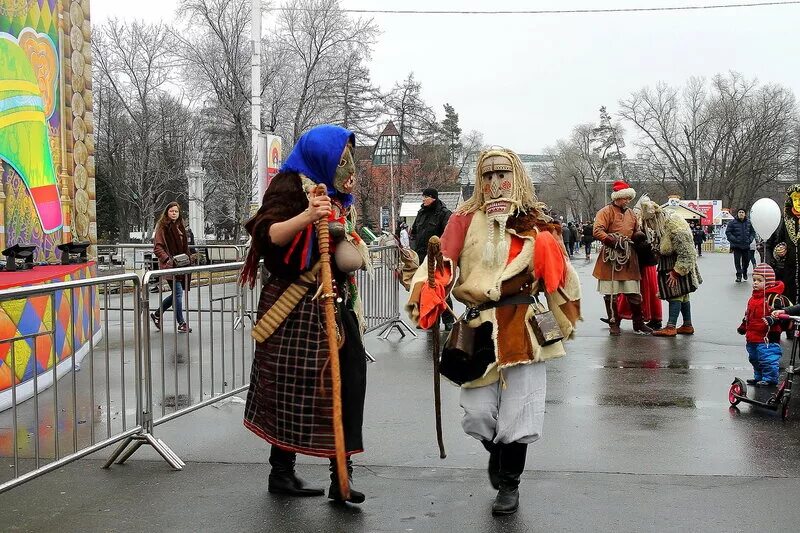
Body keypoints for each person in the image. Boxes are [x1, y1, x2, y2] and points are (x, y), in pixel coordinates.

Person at [406, 148, 581, 517]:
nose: (495, 184)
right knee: (477, 414)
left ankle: (509, 483)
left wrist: (564, 317)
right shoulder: (463, 219)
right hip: (478, 326)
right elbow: (442, 263)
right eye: (487, 177)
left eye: (502, 175)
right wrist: (431, 290)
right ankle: (498, 456)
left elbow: (558, 274)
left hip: (525, 326)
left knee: (521, 412)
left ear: (516, 177)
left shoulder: (536, 221)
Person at [239, 124, 369, 504]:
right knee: (290, 390)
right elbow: (265, 236)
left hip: (335, 299)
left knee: (347, 384)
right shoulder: (288, 186)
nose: (347, 165)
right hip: (294, 304)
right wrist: (308, 216)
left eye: (349, 157)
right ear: (322, 155)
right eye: (340, 157)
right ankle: (281, 473)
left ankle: (340, 478)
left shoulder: (338, 195)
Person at [592, 180, 651, 335]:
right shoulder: (605, 212)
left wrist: (639, 236)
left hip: (629, 257)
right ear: (618, 197)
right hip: (610, 259)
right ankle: (614, 323)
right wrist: (612, 241)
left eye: (629, 198)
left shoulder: (631, 213)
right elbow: (597, 230)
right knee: (610, 295)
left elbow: (635, 230)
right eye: (625, 198)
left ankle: (638, 323)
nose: (628, 201)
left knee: (634, 294)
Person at [639, 201, 703, 337]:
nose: (649, 225)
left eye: (649, 222)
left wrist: (677, 271)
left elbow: (687, 251)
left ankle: (671, 326)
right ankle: (687, 324)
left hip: (675, 265)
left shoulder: (674, 224)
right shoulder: (662, 224)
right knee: (684, 294)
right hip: (669, 263)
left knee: (676, 293)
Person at [411, 188, 454, 329]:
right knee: (425, 289)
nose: (423, 199)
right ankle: (429, 318)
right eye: (423, 196)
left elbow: (449, 235)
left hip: (438, 258)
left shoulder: (444, 214)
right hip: (421, 255)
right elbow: (414, 232)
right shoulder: (421, 213)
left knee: (440, 288)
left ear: (433, 198)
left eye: (426, 197)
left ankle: (448, 320)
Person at [151, 201, 192, 333]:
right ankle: (181, 323)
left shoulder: (180, 226)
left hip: (181, 264)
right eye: (171, 211)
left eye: (176, 211)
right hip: (170, 266)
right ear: (167, 212)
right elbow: (157, 247)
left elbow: (185, 246)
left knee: (176, 294)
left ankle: (157, 314)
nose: (174, 213)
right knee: (178, 293)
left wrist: (189, 258)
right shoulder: (162, 227)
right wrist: (167, 260)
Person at [740, 264, 783, 386]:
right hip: (752, 335)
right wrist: (744, 325)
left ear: (768, 282)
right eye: (754, 280)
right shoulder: (753, 298)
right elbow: (748, 314)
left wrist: (772, 319)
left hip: (767, 337)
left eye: (760, 280)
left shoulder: (773, 298)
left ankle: (770, 378)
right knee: (754, 358)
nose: (755, 283)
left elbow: (780, 315)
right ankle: (758, 376)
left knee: (768, 359)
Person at [725, 208, 755, 283]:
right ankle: (739, 275)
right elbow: (728, 232)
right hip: (736, 246)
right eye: (740, 212)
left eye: (742, 212)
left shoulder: (749, 222)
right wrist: (734, 239)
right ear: (737, 214)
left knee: (746, 261)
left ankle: (744, 271)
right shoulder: (732, 222)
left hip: (746, 245)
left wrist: (750, 240)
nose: (741, 213)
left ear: (745, 214)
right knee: (737, 261)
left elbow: (753, 232)